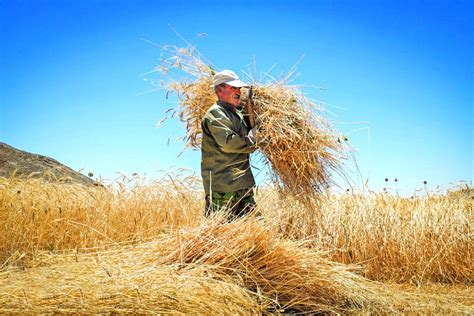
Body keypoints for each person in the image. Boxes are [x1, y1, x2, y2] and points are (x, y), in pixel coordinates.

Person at [201, 69, 257, 220]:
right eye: (233, 88)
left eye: (239, 88)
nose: (238, 91)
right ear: (220, 90)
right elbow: (230, 143)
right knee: (220, 236)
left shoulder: (236, 114)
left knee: (253, 230)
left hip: (242, 185)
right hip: (224, 188)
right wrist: (255, 137)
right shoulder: (216, 113)